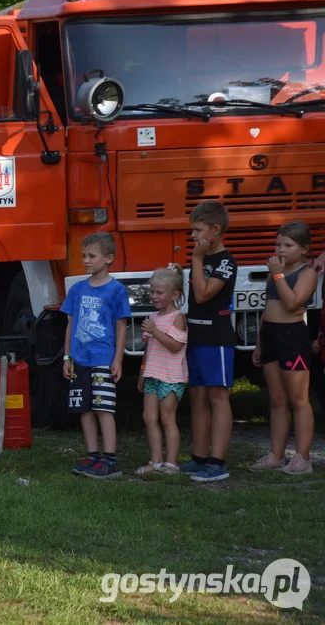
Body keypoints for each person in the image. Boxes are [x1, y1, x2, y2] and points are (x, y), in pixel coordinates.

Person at [61, 232, 130, 479]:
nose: (86, 260)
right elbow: (70, 323)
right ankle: (92, 455)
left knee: (104, 408)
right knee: (85, 408)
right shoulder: (78, 289)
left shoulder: (116, 291)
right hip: (80, 359)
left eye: (92, 256)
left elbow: (121, 326)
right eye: (83, 256)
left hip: (103, 359)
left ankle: (110, 459)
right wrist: (67, 357)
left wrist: (118, 359)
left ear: (109, 258)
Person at [251, 222, 317, 475]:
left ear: (303, 249)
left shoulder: (306, 273)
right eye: (278, 244)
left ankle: (303, 458)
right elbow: (268, 310)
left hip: (293, 335)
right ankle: (276, 456)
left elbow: (292, 303)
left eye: (288, 245)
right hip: (271, 336)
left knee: (298, 399)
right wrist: (259, 343)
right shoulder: (275, 273)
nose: (280, 250)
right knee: (277, 400)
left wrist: (278, 274)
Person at [182, 200, 237, 482]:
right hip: (195, 335)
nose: (194, 237)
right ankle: (199, 457)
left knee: (218, 397)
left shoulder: (225, 262)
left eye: (198, 231)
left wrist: (197, 259)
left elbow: (203, 295)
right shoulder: (202, 259)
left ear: (215, 230)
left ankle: (218, 462)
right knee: (198, 398)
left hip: (216, 338)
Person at [135, 265, 187, 475]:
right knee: (149, 417)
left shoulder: (177, 317)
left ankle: (172, 463)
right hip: (152, 375)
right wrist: (142, 372)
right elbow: (148, 348)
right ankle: (155, 461)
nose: (154, 296)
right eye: (151, 291)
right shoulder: (153, 317)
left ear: (174, 294)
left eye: (159, 292)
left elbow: (175, 346)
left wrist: (155, 331)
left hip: (171, 376)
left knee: (167, 418)